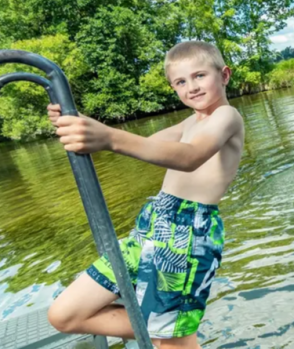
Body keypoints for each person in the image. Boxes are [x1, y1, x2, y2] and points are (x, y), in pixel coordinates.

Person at [45, 41, 245, 349]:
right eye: (180, 81)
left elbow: (189, 156)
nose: (191, 87)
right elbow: (145, 144)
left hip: (187, 234)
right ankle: (167, 329)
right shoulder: (191, 121)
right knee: (65, 314)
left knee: (173, 342)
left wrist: (108, 137)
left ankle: (172, 332)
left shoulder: (227, 117)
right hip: (151, 225)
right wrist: (80, 122)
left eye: (199, 76)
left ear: (224, 75)